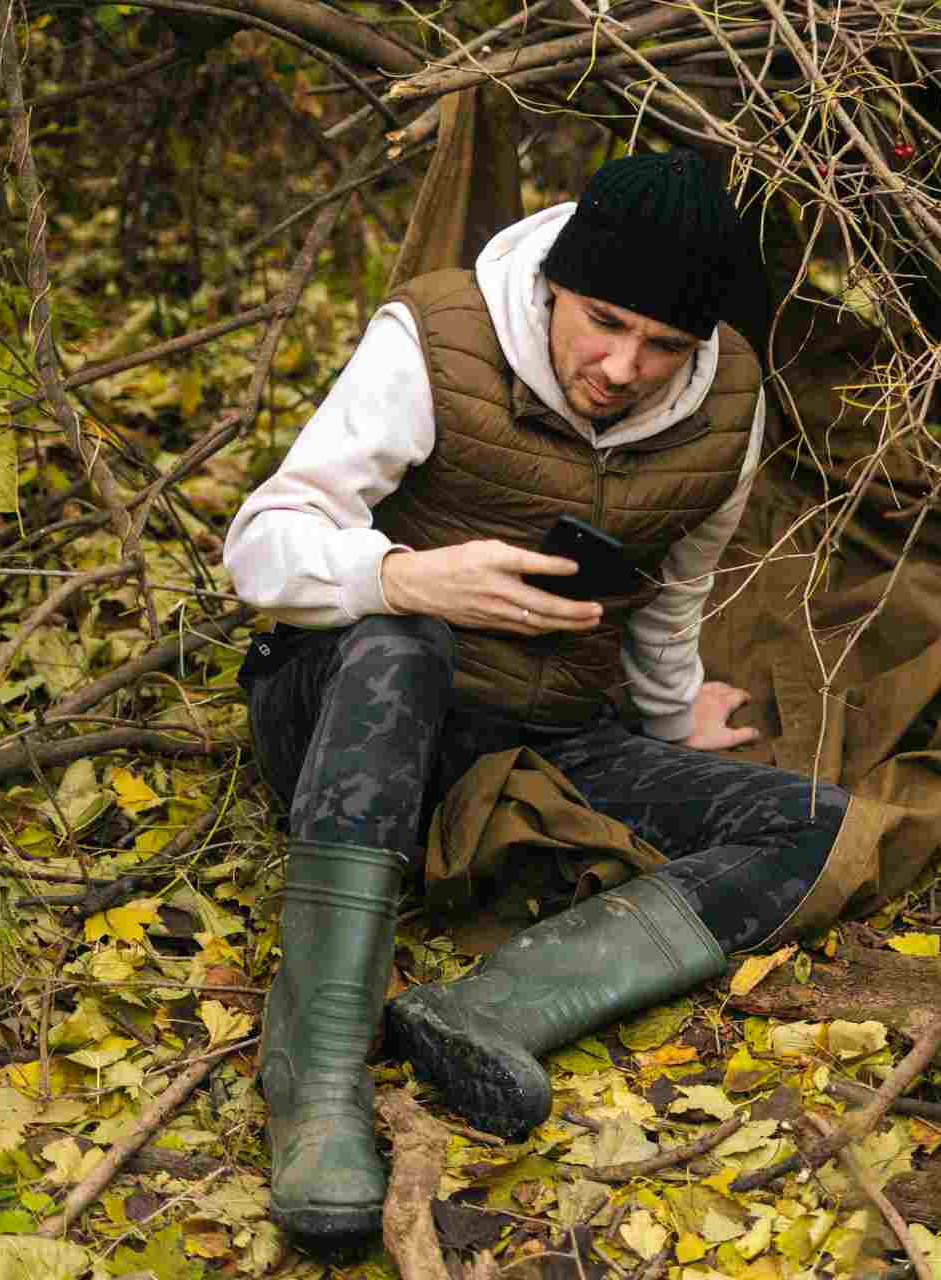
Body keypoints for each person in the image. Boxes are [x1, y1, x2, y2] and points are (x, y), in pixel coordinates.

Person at [222, 151, 849, 1245]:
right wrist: (406, 575)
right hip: (348, 719)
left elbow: (671, 598)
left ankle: (488, 1009)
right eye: (602, 320)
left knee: (810, 823)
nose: (623, 365)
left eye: (664, 344)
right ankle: (315, 1070)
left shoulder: (729, 399)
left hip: (544, 736)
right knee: (402, 642)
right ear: (557, 283)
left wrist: (674, 718)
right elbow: (258, 547)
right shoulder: (438, 335)